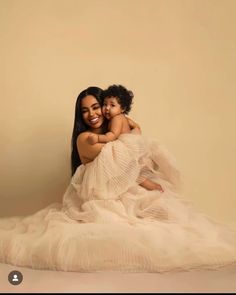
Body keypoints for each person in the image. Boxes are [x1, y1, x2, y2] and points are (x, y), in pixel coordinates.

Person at [0, 86, 236, 273]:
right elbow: (121, 162)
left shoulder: (113, 134)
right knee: (123, 236)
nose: (92, 114)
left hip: (124, 192)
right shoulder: (85, 138)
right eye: (85, 110)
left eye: (97, 106)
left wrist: (128, 130)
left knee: (172, 220)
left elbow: (130, 162)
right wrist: (135, 137)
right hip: (99, 199)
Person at [87, 84, 164, 192]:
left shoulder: (116, 119)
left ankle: (155, 187)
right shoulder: (125, 118)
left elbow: (112, 135)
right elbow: (137, 127)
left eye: (112, 105)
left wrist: (97, 138)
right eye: (105, 104)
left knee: (132, 175)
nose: (107, 108)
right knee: (133, 174)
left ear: (122, 108)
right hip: (130, 148)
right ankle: (154, 187)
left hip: (124, 150)